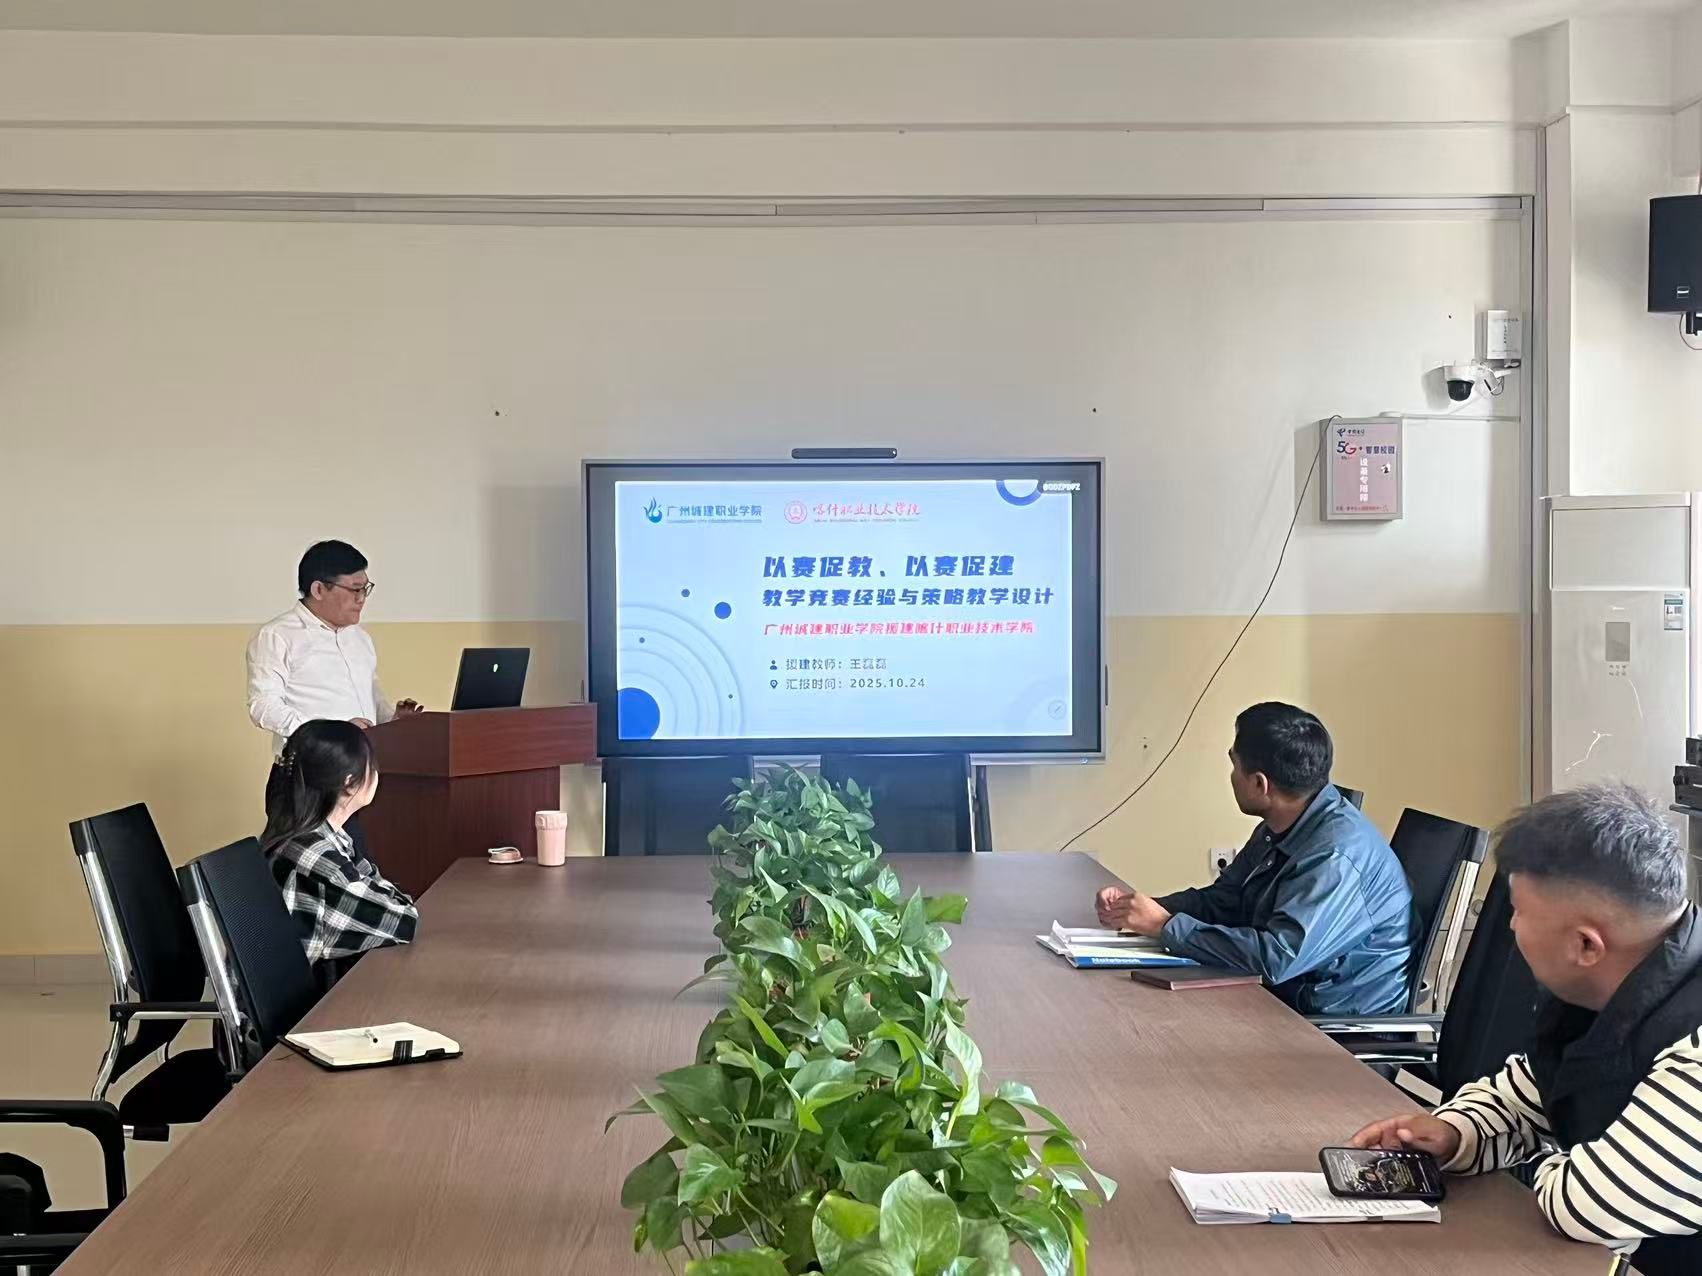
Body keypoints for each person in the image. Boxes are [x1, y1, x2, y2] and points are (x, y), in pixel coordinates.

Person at [1350, 785, 1702, 1276]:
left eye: (1519, 911)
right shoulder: (1610, 990)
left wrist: (1553, 1156)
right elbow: (1526, 1096)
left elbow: (1588, 1206)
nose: (1510, 926)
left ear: (1586, 945)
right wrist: (1455, 1133)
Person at [1095, 702, 1415, 1016]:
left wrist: (1164, 925)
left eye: (1235, 766)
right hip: (1284, 994)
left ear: (1260, 784)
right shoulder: (1285, 823)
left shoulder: (1334, 857)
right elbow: (1225, 900)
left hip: (1326, 1021)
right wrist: (1144, 910)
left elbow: (1277, 958)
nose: (1232, 776)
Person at [262, 719, 418, 983]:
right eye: (371, 765)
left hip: (310, 989)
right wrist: (392, 897)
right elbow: (402, 920)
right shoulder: (316, 855)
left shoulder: (321, 836)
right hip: (310, 1003)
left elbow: (377, 889)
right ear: (349, 783)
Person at [246, 539, 424, 755]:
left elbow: (372, 701)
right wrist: (332, 732)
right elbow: (263, 706)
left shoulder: (360, 638)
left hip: (362, 763)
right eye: (355, 589)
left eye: (365, 589)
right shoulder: (277, 635)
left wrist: (393, 721)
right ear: (319, 589)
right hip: (310, 765)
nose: (361, 599)